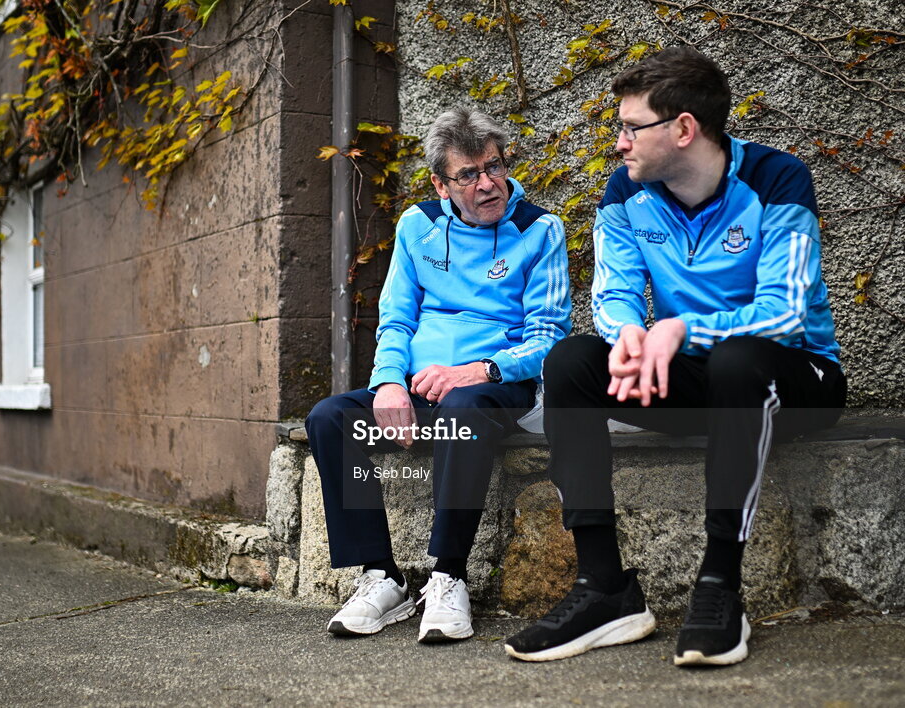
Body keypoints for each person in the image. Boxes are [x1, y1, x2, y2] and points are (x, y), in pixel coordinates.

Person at [505, 47, 845, 666]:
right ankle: (605, 587)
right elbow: (611, 295)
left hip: (794, 380)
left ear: (683, 129)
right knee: (573, 363)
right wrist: (629, 334)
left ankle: (720, 586)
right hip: (697, 383)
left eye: (631, 127)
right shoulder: (627, 192)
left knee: (739, 360)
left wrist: (680, 330)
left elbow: (787, 312)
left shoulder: (776, 180)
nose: (619, 143)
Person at [306, 106, 572, 643]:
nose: (488, 183)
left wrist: (482, 369)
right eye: (468, 175)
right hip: (421, 384)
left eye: (493, 166)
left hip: (495, 386)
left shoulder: (540, 230)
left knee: (464, 407)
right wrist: (387, 382)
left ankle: (448, 576)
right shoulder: (418, 226)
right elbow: (397, 316)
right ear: (441, 183)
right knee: (330, 417)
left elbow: (549, 336)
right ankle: (382, 577)